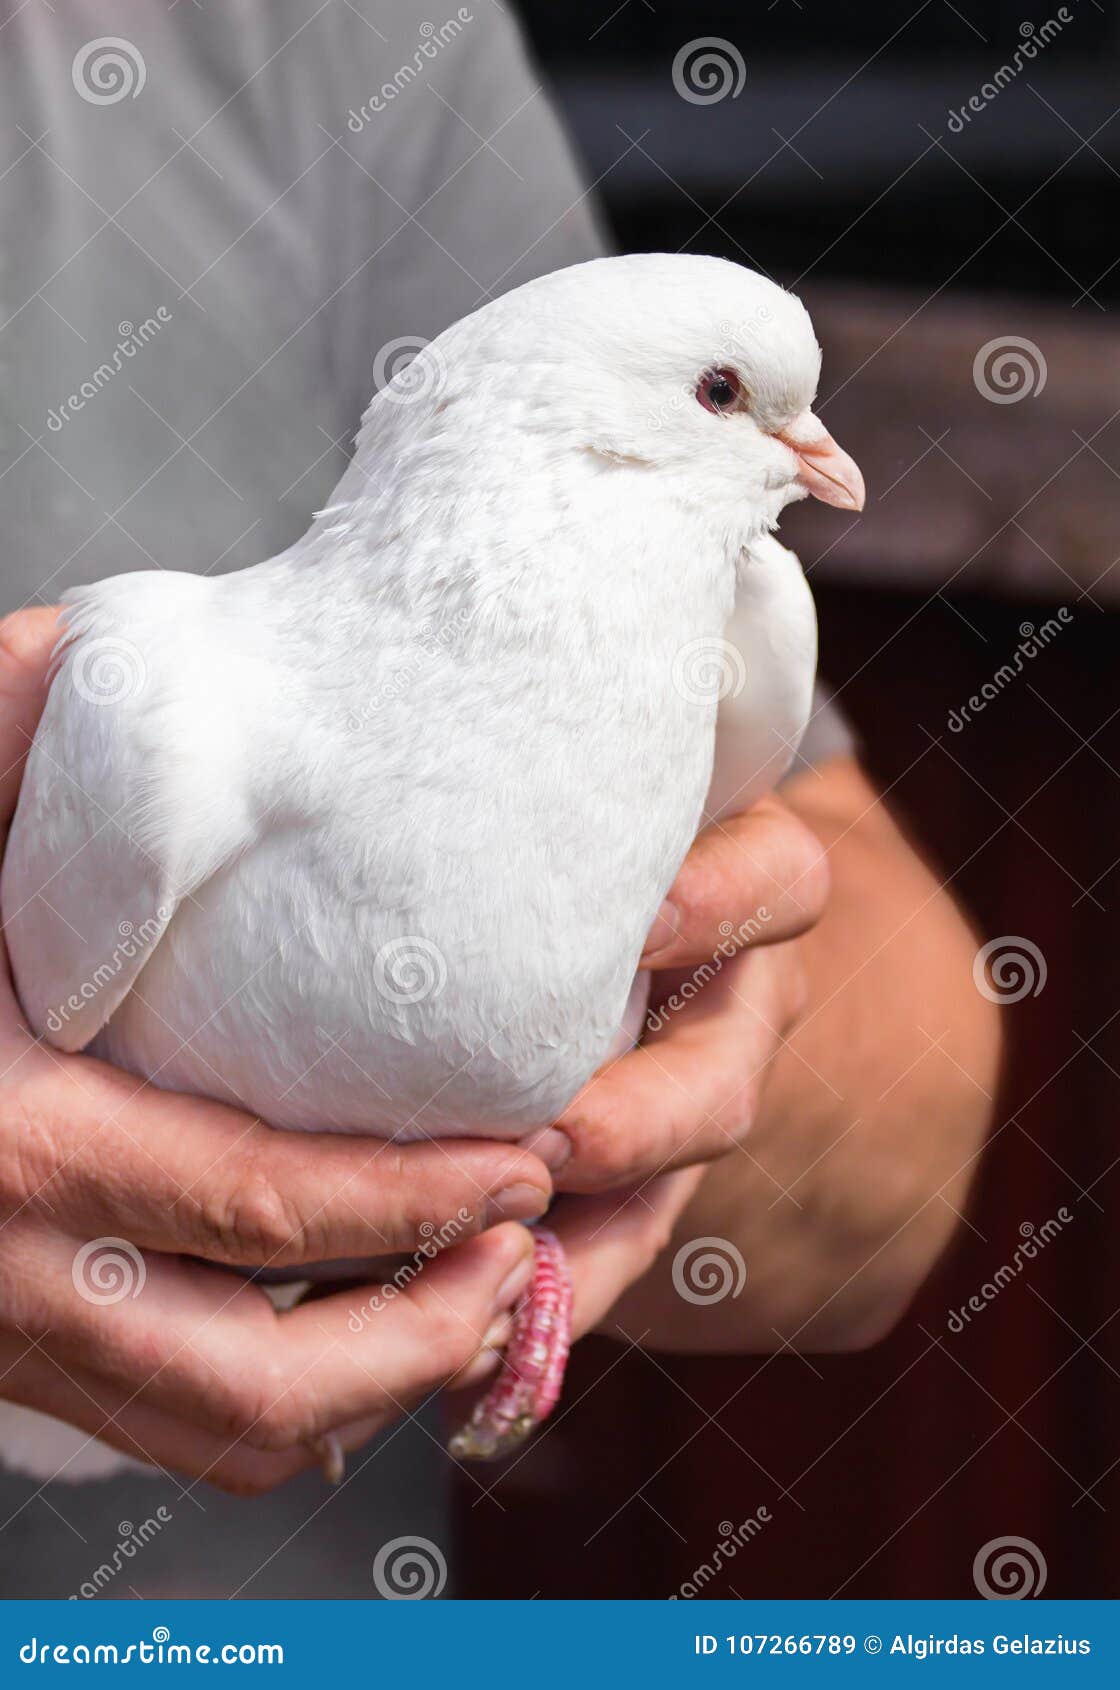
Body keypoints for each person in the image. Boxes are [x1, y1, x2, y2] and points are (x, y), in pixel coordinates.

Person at [0, 1, 998, 1587]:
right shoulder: (155, 698)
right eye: (740, 400)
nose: (814, 449)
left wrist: (658, 1097)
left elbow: (909, 1158)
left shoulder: (338, 38)